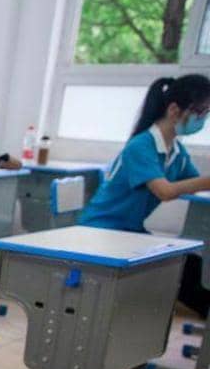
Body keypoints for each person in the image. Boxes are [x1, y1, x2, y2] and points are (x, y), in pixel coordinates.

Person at [80, 75, 210, 316]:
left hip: (130, 232)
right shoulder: (141, 145)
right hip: (101, 231)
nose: (202, 120)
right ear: (174, 110)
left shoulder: (177, 152)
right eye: (200, 112)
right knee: (183, 273)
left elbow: (194, 184)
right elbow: (165, 191)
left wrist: (204, 182)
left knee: (191, 267)